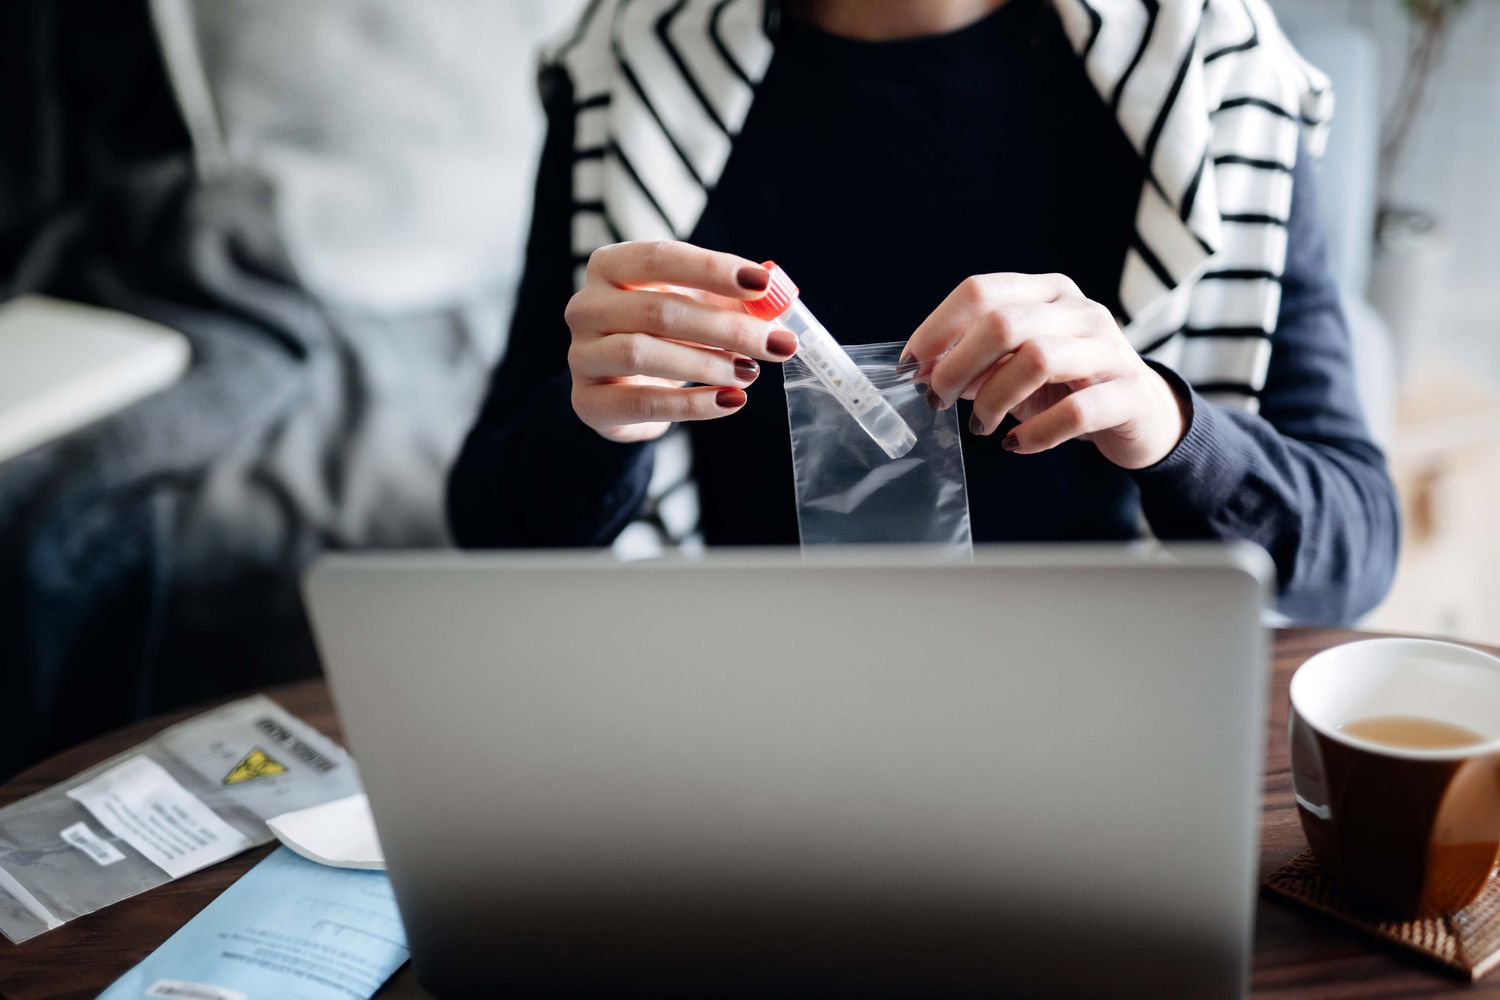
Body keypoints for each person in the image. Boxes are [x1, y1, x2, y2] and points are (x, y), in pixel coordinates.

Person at [448, 0, 1400, 624]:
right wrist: (597, 425)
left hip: (1101, 708)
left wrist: (1164, 423)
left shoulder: (1205, 70)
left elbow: (1354, 548)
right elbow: (488, 529)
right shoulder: (629, 71)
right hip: (727, 718)